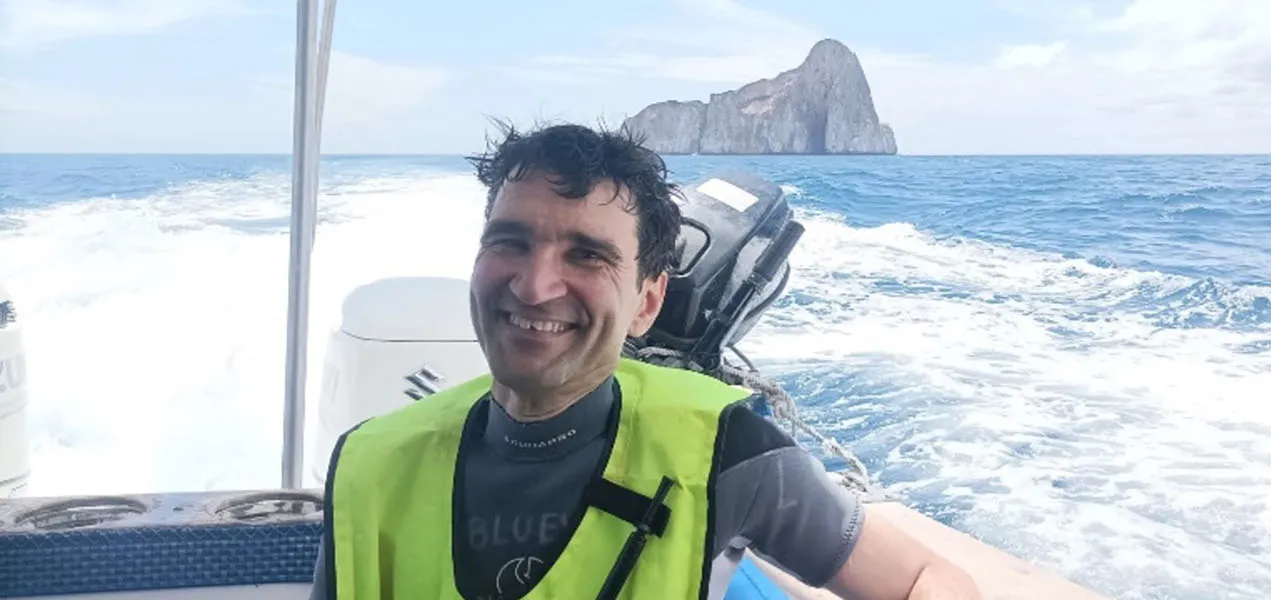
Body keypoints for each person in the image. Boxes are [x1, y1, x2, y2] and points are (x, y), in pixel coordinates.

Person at [306, 121, 980, 600]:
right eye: (510, 241)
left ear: (646, 303)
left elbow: (928, 581)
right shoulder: (369, 463)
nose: (534, 286)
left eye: (586, 255)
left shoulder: (724, 450)